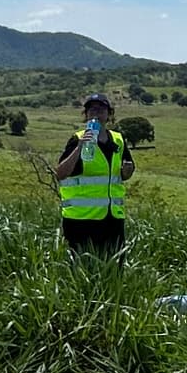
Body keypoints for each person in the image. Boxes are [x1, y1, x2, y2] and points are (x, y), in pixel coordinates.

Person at [56, 92, 135, 254]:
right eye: (91, 111)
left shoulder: (118, 140)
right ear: (86, 115)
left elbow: (125, 172)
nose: (96, 114)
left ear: (109, 114)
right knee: (81, 268)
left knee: (114, 267)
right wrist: (79, 147)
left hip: (112, 217)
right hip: (81, 218)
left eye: (100, 110)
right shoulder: (77, 139)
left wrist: (127, 170)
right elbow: (61, 173)